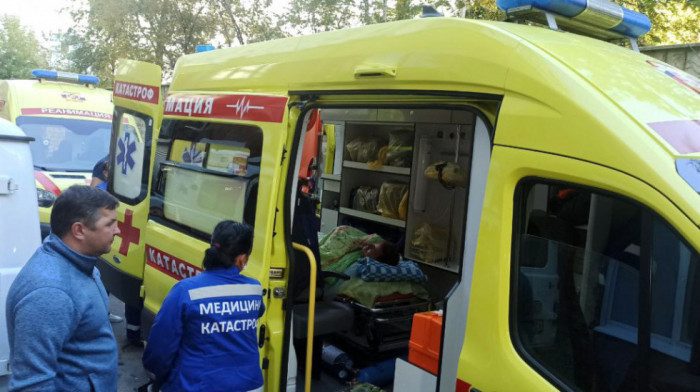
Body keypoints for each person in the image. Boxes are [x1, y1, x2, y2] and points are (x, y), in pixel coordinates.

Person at [5, 185, 120, 391]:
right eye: (110, 224)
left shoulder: (81, 263)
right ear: (79, 230)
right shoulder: (51, 293)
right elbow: (32, 384)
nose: (117, 230)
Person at [143, 221, 265, 392]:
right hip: (251, 385)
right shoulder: (254, 289)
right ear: (242, 258)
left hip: (197, 385)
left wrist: (156, 378)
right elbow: (257, 312)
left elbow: (161, 347)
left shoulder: (185, 290)